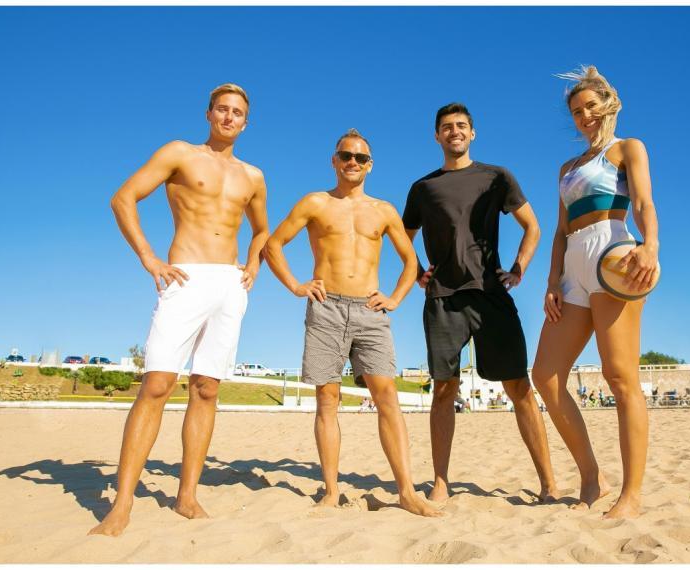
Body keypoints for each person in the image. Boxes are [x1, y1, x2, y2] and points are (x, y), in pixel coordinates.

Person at [89, 83, 269, 536]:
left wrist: (250, 268)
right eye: (223, 110)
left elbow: (262, 230)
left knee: (207, 388)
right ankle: (122, 503)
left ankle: (187, 495)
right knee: (157, 383)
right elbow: (123, 197)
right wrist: (149, 258)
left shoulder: (253, 175)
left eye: (238, 113)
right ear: (209, 113)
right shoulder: (180, 153)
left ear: (247, 123)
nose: (229, 118)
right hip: (185, 275)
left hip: (229, 285)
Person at [263, 129, 441, 518]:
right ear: (334, 160)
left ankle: (407, 491)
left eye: (360, 158)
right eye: (346, 155)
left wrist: (394, 298)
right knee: (327, 400)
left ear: (370, 164)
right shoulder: (315, 202)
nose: (353, 162)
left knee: (387, 397)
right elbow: (272, 245)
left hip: (370, 312)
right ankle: (330, 490)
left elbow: (411, 262)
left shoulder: (384, 210)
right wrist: (296, 285)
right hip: (326, 309)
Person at [403, 102, 560, 503]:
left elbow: (533, 226)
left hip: (492, 295)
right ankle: (440, 481)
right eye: (446, 127)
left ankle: (548, 483)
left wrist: (518, 268)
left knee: (519, 387)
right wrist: (417, 269)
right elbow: (402, 236)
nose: (454, 131)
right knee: (443, 389)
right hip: (443, 298)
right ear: (436, 136)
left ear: (472, 133)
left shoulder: (497, 177)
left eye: (461, 126)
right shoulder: (423, 188)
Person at [530, 65, 660, 519]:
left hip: (614, 253)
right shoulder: (567, 168)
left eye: (590, 106)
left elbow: (642, 202)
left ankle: (633, 493)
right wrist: (551, 283)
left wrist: (651, 246)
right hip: (572, 268)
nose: (584, 115)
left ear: (607, 104)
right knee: (545, 376)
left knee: (619, 375)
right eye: (576, 111)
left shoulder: (627, 148)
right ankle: (592, 476)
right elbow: (561, 232)